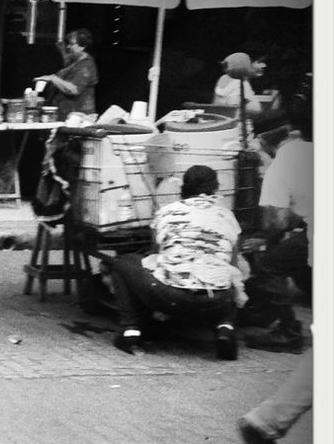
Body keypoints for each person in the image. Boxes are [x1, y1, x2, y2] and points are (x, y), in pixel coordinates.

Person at [109, 164, 244, 360]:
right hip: (218, 300)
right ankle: (225, 329)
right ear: (215, 188)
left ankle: (130, 330)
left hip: (169, 296)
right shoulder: (228, 216)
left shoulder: (167, 212)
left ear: (183, 186)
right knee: (228, 274)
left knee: (123, 264)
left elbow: (155, 254)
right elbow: (233, 262)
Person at [240, 95, 312, 355]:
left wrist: (264, 238)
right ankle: (264, 314)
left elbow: (279, 221)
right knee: (292, 257)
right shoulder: (310, 148)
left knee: (269, 264)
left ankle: (289, 333)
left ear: (262, 142)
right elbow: (302, 210)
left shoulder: (279, 165)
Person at [34, 29, 98, 118]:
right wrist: (63, 51)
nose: (68, 47)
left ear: (82, 46)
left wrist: (53, 78)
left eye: (71, 44)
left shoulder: (86, 66)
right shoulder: (74, 61)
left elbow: (74, 89)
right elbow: (67, 69)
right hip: (64, 114)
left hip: (77, 117)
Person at [213, 51, 266, 117]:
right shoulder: (240, 82)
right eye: (259, 62)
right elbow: (256, 109)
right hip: (236, 123)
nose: (264, 65)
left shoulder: (223, 78)